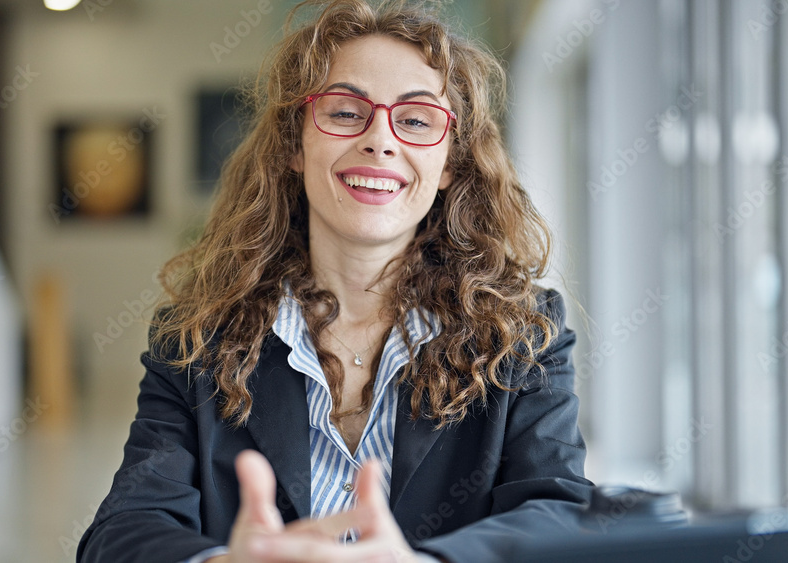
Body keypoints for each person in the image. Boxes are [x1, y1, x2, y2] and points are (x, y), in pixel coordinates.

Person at [77, 1, 593, 561]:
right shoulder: (196, 338)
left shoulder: (523, 334)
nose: (380, 140)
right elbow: (122, 533)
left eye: (416, 120)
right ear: (294, 146)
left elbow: (560, 519)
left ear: (450, 164)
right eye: (346, 112)